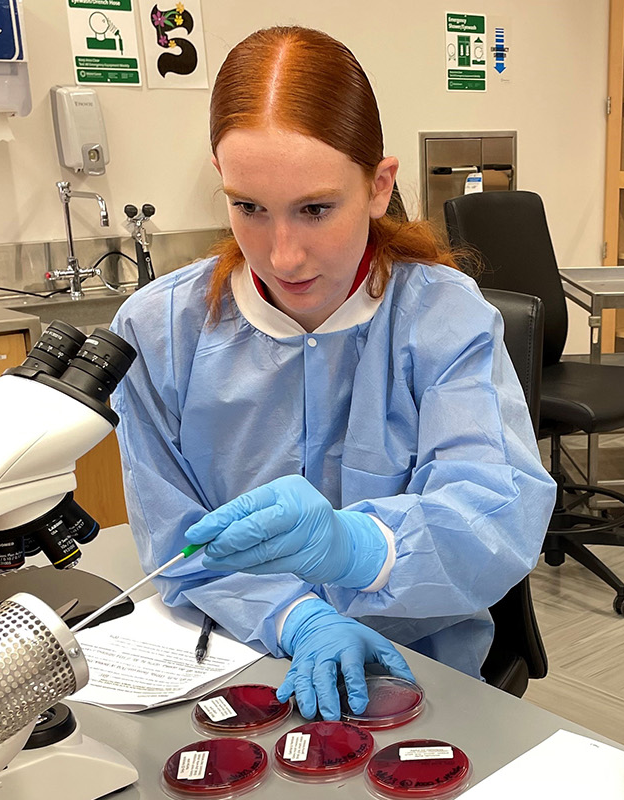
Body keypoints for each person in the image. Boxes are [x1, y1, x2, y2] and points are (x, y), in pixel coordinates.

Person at [109, 26, 554, 722]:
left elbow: (494, 516)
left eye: (316, 209)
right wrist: (298, 618)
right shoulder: (158, 331)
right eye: (249, 208)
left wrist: (361, 548)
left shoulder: (442, 318)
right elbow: (176, 540)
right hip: (237, 671)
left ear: (378, 186)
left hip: (418, 673)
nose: (283, 256)